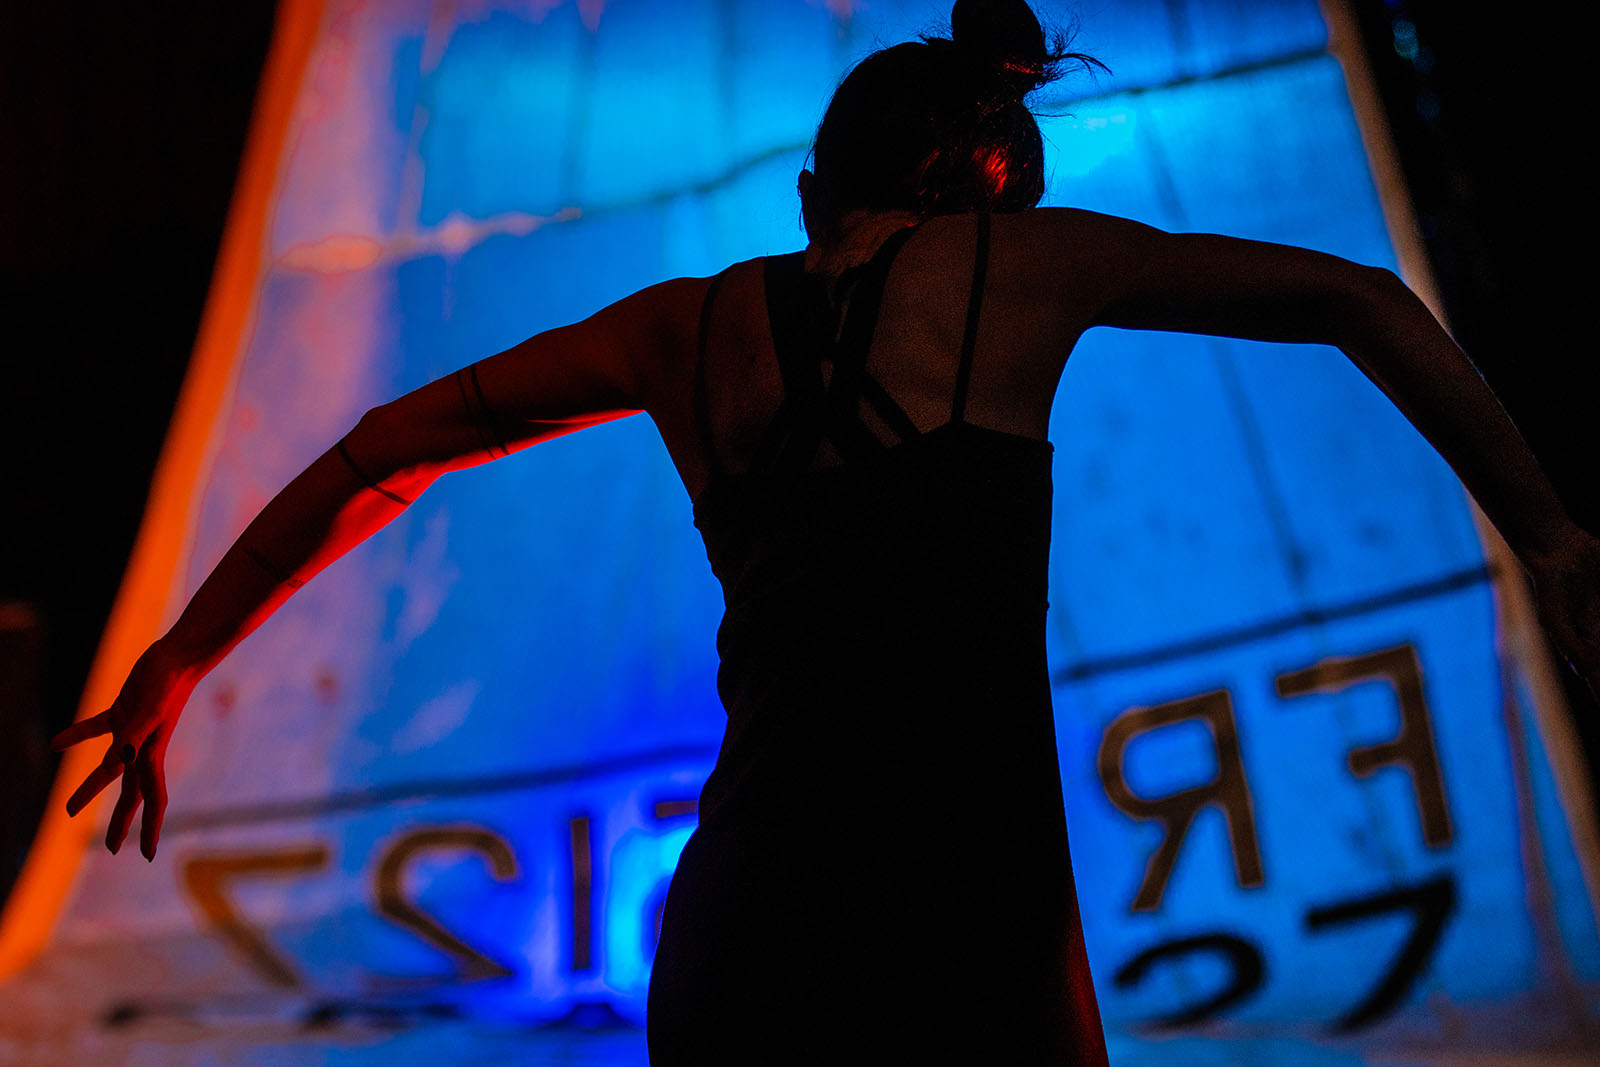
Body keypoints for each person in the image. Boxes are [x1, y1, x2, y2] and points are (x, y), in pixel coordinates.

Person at [52, 0, 1600, 1061]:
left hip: (749, 925)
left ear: (810, 193)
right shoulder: (1025, 268)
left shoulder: (678, 330)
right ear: (1001, 190)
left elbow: (382, 455)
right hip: (976, 922)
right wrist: (1546, 535)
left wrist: (184, 655)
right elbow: (1360, 302)